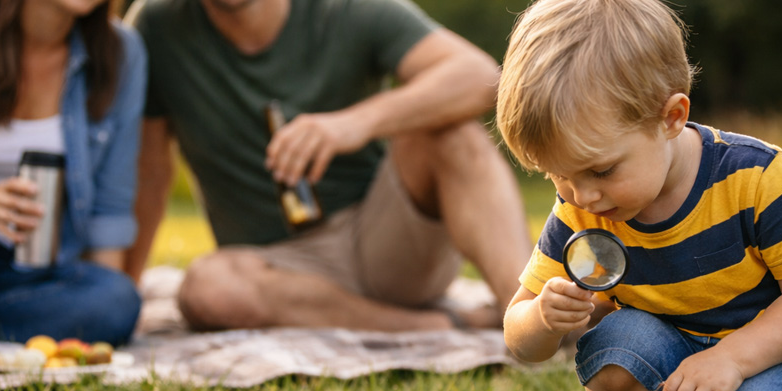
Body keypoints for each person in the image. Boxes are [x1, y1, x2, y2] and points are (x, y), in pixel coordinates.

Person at [498, 0, 782, 391]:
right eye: (558, 175)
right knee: (612, 341)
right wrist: (544, 318)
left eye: (602, 170)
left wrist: (733, 359)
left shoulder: (752, 176)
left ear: (671, 117)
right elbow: (518, 335)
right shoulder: (583, 211)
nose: (582, 195)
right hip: (683, 361)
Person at [123, 0, 532, 332]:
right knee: (207, 288)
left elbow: (480, 76)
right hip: (275, 268)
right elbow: (151, 172)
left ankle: (528, 315)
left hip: (383, 241)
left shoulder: (345, 9)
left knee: (452, 134)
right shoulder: (158, 24)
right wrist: (124, 290)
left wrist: (355, 123)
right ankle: (437, 326)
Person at [0, 0, 146, 346]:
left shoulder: (122, 52)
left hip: (27, 271)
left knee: (116, 299)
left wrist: (102, 317)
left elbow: (109, 211)